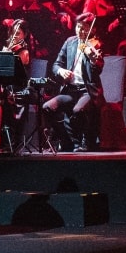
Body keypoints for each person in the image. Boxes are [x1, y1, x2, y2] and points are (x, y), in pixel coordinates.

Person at [43, 12, 104, 150]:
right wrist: (61, 71)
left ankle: (85, 142)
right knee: (47, 107)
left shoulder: (95, 45)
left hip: (87, 91)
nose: (80, 31)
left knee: (78, 110)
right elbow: (56, 65)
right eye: (78, 27)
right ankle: (66, 139)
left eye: (84, 28)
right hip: (70, 90)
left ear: (93, 30)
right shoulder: (70, 42)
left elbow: (98, 69)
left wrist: (93, 59)